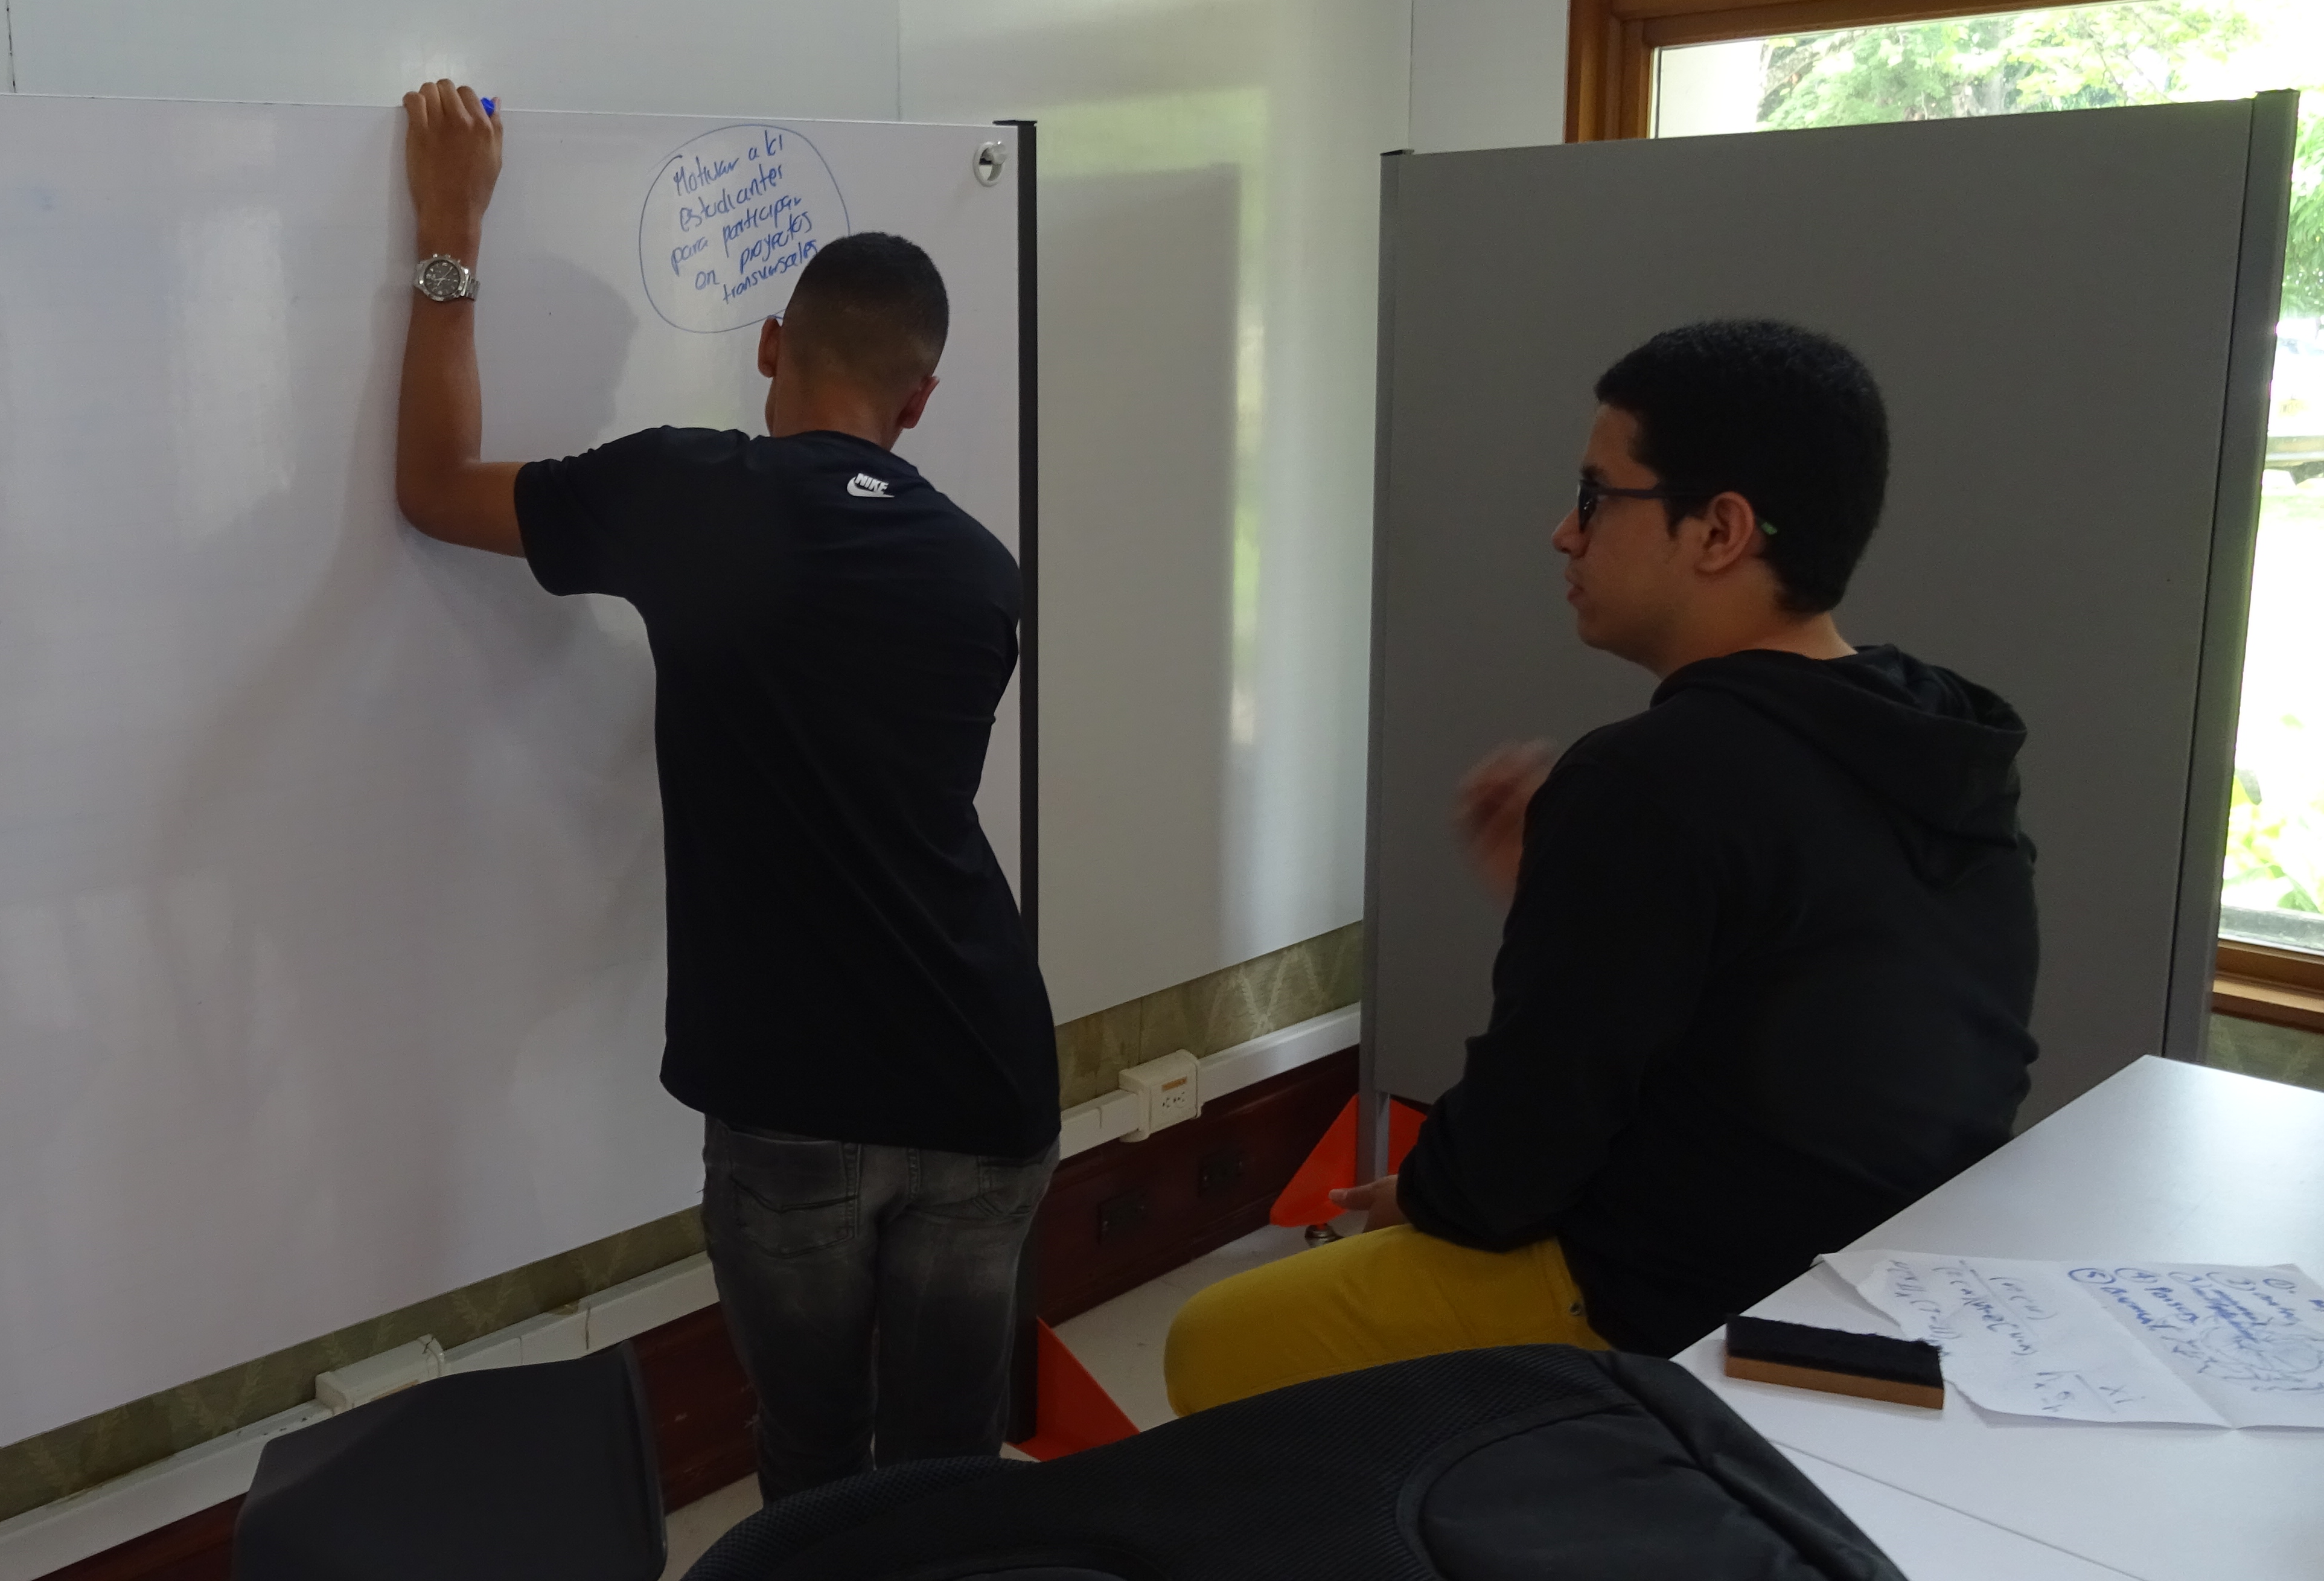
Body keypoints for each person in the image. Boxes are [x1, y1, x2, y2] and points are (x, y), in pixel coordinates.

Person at [1165, 319, 2038, 1411]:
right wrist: (1569, 898)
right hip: (1888, 1284)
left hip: (1691, 1302)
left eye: (1594, 496)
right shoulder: (1937, 737)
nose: (1563, 534)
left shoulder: (1656, 775)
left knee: (1216, 1341)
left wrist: (1420, 1197)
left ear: (1718, 530)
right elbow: (1814, 1017)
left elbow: (1514, 1163)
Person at [390, 80, 1059, 1495]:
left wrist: (449, 228)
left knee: (814, 1463)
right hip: (986, 1077)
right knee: (948, 1477)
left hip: (790, 1096)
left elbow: (434, 484)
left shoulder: (688, 496)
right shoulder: (983, 572)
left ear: (770, 345)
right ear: (920, 400)